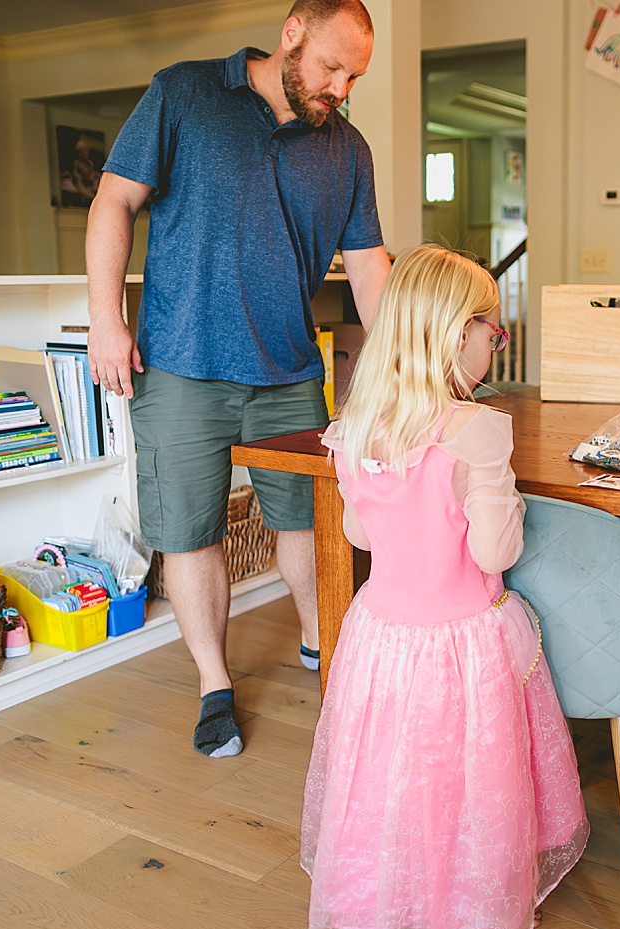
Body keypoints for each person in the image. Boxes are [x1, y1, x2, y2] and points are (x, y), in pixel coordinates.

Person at [85, 0, 393, 758]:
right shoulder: (186, 94)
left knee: (308, 523)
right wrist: (104, 318)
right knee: (193, 534)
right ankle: (213, 684)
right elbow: (114, 199)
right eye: (331, 66)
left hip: (289, 368)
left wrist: (408, 362)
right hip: (181, 365)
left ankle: (326, 651)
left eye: (355, 75)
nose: (342, 87)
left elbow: (369, 269)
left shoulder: (347, 149)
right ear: (292, 34)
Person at [302, 244, 588, 929]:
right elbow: (495, 554)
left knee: (389, 774)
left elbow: (358, 529)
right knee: (471, 778)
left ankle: (383, 898)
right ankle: (465, 911)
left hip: (380, 634)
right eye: (493, 326)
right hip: (462, 639)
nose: (498, 337)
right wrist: (507, 497)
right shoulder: (479, 430)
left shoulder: (353, 429)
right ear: (457, 332)